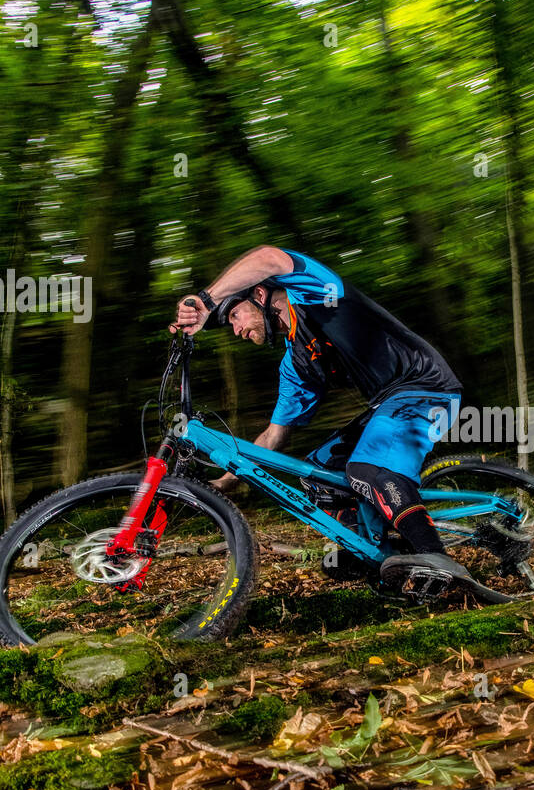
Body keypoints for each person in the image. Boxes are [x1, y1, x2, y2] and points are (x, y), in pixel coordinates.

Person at [170, 244, 480, 594]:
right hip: (388, 405)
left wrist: (207, 300)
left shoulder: (316, 295)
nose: (236, 330)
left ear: (258, 294)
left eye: (235, 316)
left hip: (426, 389)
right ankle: (377, 555)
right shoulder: (296, 364)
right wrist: (224, 482)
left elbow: (270, 258)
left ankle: (436, 557)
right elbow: (274, 435)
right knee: (318, 475)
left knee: (370, 469)